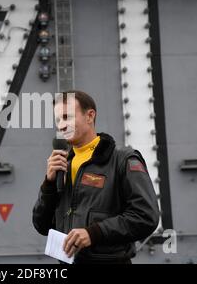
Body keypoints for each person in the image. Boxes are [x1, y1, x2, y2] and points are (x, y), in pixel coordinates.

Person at [32, 90, 160, 264]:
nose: (61, 125)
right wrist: (48, 184)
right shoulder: (61, 165)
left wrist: (93, 233)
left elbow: (145, 216)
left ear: (90, 116)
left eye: (67, 117)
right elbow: (42, 225)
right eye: (57, 120)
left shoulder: (122, 159)